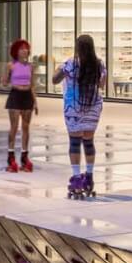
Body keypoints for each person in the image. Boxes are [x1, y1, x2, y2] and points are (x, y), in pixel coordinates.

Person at [52, 33, 105, 199]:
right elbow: (101, 84)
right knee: (88, 141)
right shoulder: (99, 64)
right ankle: (89, 178)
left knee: (75, 142)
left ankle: (76, 178)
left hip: (73, 106)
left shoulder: (71, 63)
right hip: (93, 105)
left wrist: (59, 69)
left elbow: (55, 80)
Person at [2, 38, 36, 173]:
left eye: (26, 48)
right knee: (14, 127)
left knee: (26, 127)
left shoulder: (31, 67)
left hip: (27, 97)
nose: (25, 50)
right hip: (15, 96)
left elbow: (33, 85)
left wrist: (36, 101)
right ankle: (11, 157)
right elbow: (4, 82)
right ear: (16, 51)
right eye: (22, 48)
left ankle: (24, 156)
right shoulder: (11, 65)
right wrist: (12, 84)